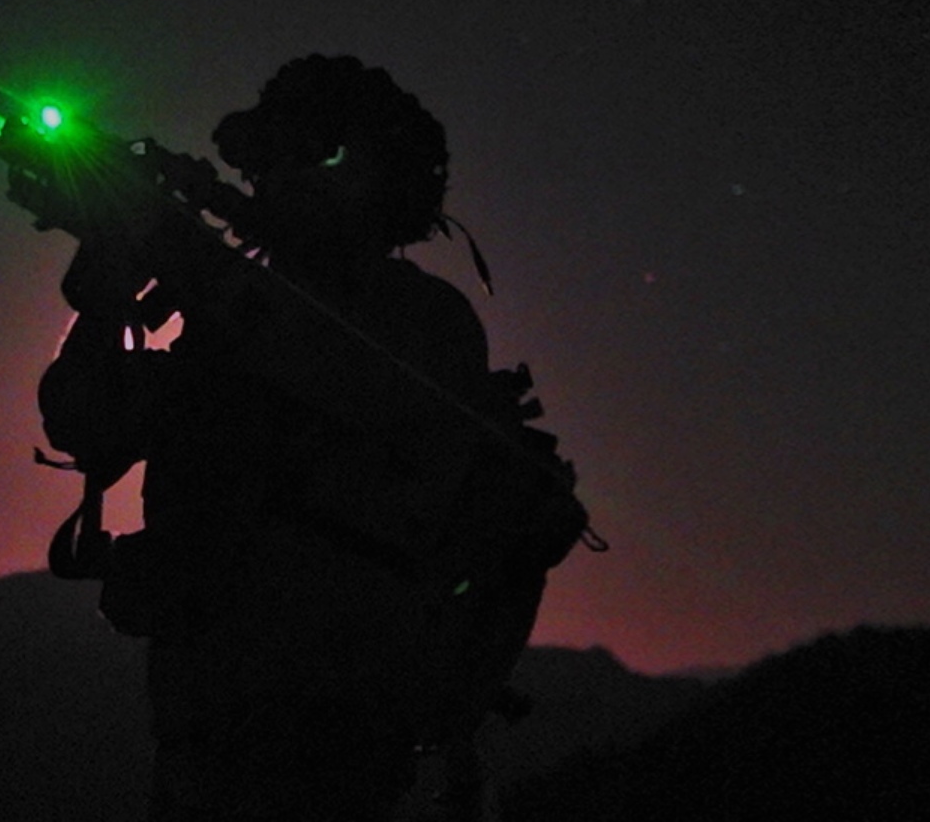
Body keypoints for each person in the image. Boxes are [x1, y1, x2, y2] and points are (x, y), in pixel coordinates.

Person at [37, 55, 575, 821]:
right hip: (200, 738)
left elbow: (332, 366)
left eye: (314, 156)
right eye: (269, 161)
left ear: (382, 183)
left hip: (333, 748)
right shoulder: (231, 316)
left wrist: (169, 243)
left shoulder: (424, 320)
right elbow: (88, 424)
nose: (277, 181)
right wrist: (104, 286)